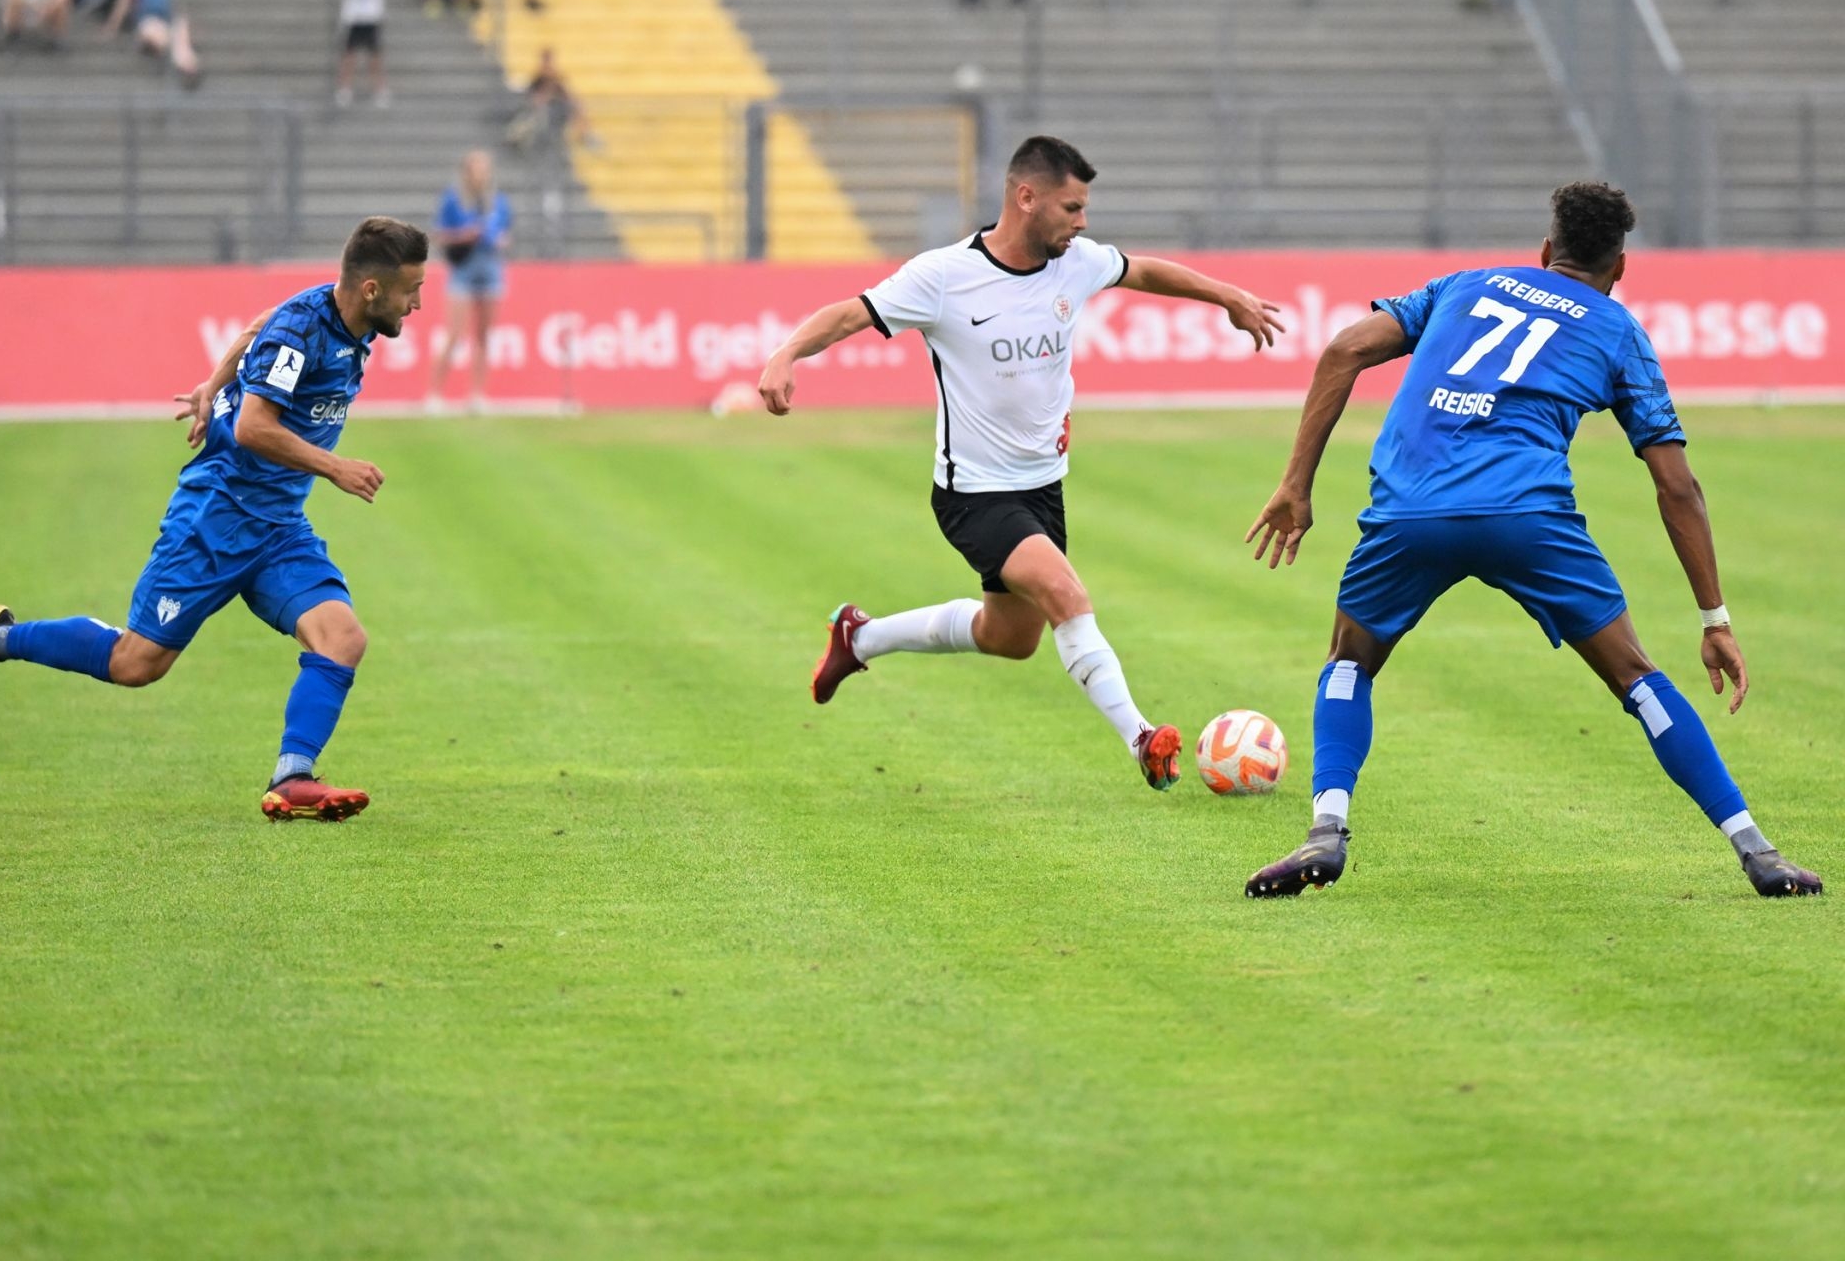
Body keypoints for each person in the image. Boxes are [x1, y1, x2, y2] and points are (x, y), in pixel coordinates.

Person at [1241, 181, 1821, 899]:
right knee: (1637, 678)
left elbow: (1343, 350)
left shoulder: (1468, 284)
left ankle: (1326, 830)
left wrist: (1297, 484)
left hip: (1411, 511)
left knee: (1350, 661)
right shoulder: (1616, 330)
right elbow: (1677, 486)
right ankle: (1756, 850)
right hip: (1526, 517)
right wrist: (1714, 619)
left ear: (1546, 251)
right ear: (1621, 269)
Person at [757, 135, 1286, 791]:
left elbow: (1143, 270)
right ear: (1025, 197)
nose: (1082, 221)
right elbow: (849, 314)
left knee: (1010, 638)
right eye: (1071, 207)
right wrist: (785, 355)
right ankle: (1142, 738)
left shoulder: (1077, 263)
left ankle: (858, 638)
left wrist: (1226, 296)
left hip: (1042, 490)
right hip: (973, 494)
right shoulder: (944, 277)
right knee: (1068, 594)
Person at [0, 218, 428, 824]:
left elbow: (253, 331)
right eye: (412, 289)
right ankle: (0, 639)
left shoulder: (337, 321)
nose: (420, 302)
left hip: (277, 528)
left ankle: (292, 778)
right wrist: (334, 467)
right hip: (215, 520)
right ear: (373, 289)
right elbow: (253, 427)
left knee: (343, 637)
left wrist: (212, 384)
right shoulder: (304, 329)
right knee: (135, 664)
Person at [427, 150, 513, 412]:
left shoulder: (497, 201)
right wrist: (465, 235)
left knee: (484, 335)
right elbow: (441, 234)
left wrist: (499, 239)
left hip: (490, 266)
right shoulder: (454, 200)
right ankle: (435, 393)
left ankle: (477, 394)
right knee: (455, 333)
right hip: (464, 267)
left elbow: (505, 233)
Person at [103, 0, 200, 89]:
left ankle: (186, 65)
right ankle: (180, 62)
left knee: (178, 30)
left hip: (159, 18)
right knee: (160, 30)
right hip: (150, 17)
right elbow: (125, 0)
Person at [335, 0, 390, 109]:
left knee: (375, 56)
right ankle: (344, 88)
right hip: (354, 16)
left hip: (372, 16)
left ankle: (379, 89)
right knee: (349, 55)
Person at [0, 0, 72, 46]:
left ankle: (56, 37)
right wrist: (35, 6)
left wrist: (49, 7)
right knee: (14, 3)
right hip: (22, 11)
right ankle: (13, 34)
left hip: (44, 9)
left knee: (61, 6)